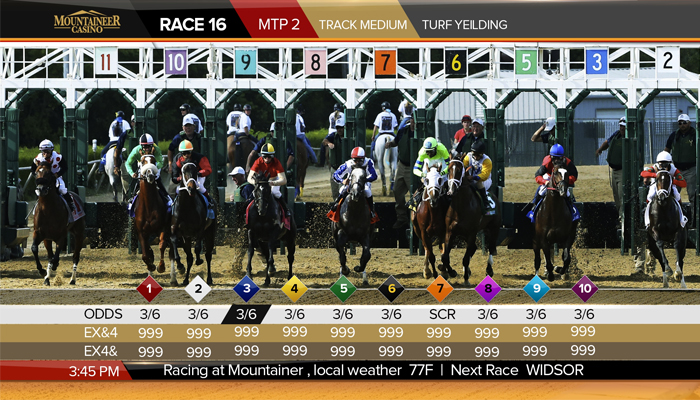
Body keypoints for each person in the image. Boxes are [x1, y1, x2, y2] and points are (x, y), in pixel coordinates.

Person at [526, 144, 579, 221]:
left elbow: (574, 175)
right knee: (540, 191)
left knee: (568, 193)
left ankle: (574, 212)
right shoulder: (547, 162)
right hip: (549, 177)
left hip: (561, 179)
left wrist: (565, 180)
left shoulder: (567, 162)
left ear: (563, 157)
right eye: (554, 158)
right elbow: (537, 175)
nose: (556, 161)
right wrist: (545, 182)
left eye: (559, 158)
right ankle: (533, 209)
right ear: (551, 157)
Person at [640, 151, 687, 231]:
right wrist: (656, 175)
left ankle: (682, 215)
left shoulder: (673, 169)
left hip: (668, 185)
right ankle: (647, 214)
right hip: (656, 184)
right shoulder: (654, 167)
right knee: (650, 195)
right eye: (661, 164)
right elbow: (643, 173)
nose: (663, 166)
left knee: (677, 195)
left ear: (669, 163)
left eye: (665, 164)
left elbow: (683, 183)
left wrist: (671, 180)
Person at [664, 114, 697, 224]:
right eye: (680, 123)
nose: (682, 125)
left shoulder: (695, 135)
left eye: (684, 122)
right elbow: (667, 150)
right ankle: (671, 219)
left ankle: (694, 221)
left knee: (693, 195)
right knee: (671, 194)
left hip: (691, 169)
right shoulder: (674, 135)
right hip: (676, 170)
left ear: (689, 123)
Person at [171, 140, 215, 218]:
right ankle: (174, 204)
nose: (186, 155)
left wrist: (197, 173)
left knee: (199, 186)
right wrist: (180, 178)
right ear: (181, 153)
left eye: (188, 153)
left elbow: (208, 169)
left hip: (198, 176)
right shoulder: (177, 159)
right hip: (185, 177)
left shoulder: (199, 157)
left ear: (191, 151)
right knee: (178, 190)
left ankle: (209, 201)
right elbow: (174, 177)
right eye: (184, 153)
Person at [329, 147, 378, 218]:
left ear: (364, 158)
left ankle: (372, 211)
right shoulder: (348, 164)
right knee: (342, 190)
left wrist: (364, 180)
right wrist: (342, 181)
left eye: (360, 160)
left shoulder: (369, 162)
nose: (357, 162)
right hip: (351, 182)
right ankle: (335, 208)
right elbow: (335, 175)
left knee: (367, 191)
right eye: (355, 160)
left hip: (364, 182)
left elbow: (374, 175)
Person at [125, 134, 171, 207]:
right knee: (139, 180)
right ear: (141, 146)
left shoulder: (156, 149)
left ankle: (166, 196)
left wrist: (153, 168)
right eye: (145, 147)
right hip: (142, 163)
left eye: (148, 147)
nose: (147, 149)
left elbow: (160, 162)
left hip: (154, 164)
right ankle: (133, 197)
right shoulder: (136, 150)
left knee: (157, 179)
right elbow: (128, 163)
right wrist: (132, 173)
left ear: (152, 145)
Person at [248, 143, 291, 219]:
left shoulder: (276, 163)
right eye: (265, 157)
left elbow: (284, 180)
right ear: (262, 156)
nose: (267, 159)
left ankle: (286, 209)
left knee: (275, 192)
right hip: (261, 181)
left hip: (273, 180)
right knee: (254, 193)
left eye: (269, 157)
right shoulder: (258, 161)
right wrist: (256, 182)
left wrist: (274, 183)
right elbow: (249, 178)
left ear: (272, 156)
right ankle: (247, 211)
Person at [595, 117, 626, 218]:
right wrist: (600, 149)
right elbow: (607, 142)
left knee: (622, 196)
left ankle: (622, 218)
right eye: (621, 126)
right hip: (614, 170)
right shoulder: (616, 135)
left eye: (624, 126)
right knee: (616, 196)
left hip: (623, 171)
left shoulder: (630, 137)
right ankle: (620, 216)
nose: (622, 128)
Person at [386, 116, 413, 228]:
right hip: (401, 165)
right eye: (412, 119)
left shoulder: (421, 131)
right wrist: (390, 144)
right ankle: (402, 218)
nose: (413, 122)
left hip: (413, 167)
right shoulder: (403, 130)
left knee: (415, 194)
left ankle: (415, 219)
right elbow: (396, 141)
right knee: (397, 190)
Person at [32, 139, 74, 212]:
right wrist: (38, 177)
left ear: (51, 151)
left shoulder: (58, 157)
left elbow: (65, 167)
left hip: (55, 176)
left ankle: (70, 203)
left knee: (62, 189)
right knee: (39, 191)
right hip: (44, 179)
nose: (45, 154)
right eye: (43, 152)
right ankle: (36, 207)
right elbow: (32, 169)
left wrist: (57, 175)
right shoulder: (38, 159)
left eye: (48, 152)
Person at [408, 137, 449, 209]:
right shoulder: (422, 152)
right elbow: (415, 170)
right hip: (428, 162)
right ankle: (415, 201)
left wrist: (442, 173)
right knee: (424, 181)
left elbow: (449, 165)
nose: (429, 154)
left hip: (440, 161)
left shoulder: (442, 149)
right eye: (427, 152)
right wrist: (424, 175)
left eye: (431, 151)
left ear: (436, 148)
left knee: (445, 180)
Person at [463, 140, 494, 215]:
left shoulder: (487, 160)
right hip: (471, 178)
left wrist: (474, 177)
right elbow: (463, 165)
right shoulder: (468, 156)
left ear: (482, 153)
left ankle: (486, 203)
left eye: (478, 155)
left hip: (484, 180)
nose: (476, 157)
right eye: (474, 154)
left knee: (478, 182)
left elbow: (484, 175)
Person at [322, 110, 345, 199]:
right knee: (334, 193)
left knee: (342, 192)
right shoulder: (333, 135)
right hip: (334, 168)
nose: (339, 129)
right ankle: (319, 161)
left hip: (345, 169)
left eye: (341, 127)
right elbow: (324, 141)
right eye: (338, 127)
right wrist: (329, 143)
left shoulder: (349, 137)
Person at [321, 103, 344, 169]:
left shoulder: (331, 115)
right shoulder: (343, 114)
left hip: (331, 132)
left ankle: (321, 162)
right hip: (339, 133)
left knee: (322, 146)